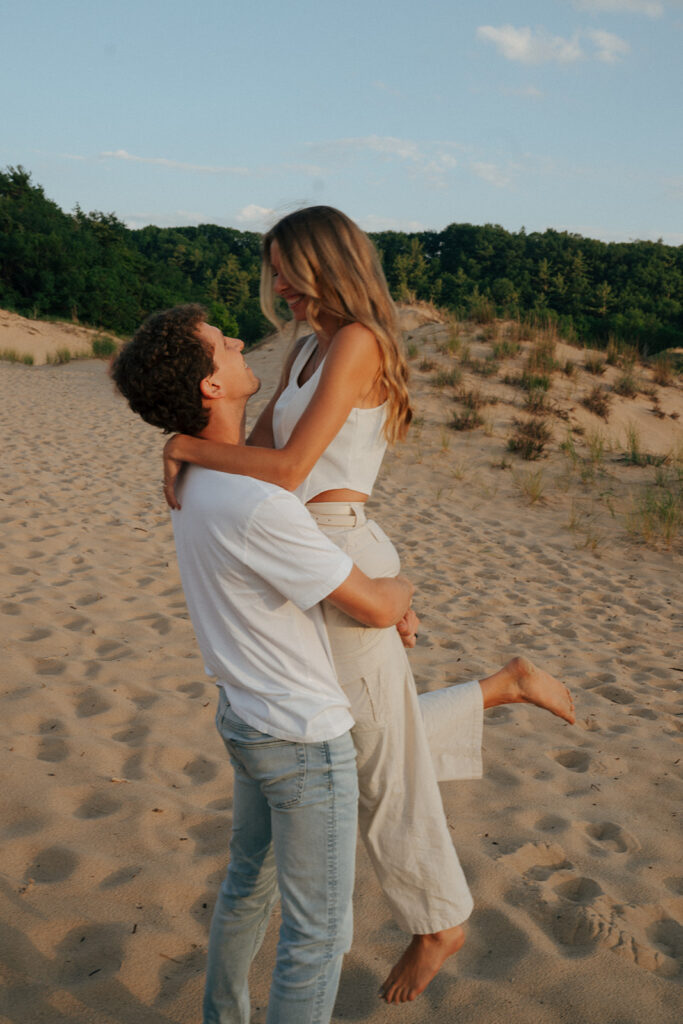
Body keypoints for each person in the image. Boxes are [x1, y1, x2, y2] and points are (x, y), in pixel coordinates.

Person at [162, 207, 575, 1002]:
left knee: (372, 758)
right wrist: (200, 435)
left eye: (287, 267)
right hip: (311, 551)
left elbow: (284, 470)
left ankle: (439, 920)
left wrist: (181, 448)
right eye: (271, 269)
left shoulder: (355, 342)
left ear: (328, 262)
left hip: (331, 548)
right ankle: (501, 687)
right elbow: (256, 442)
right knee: (361, 739)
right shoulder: (310, 344)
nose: (276, 284)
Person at [111, 304, 417, 1024]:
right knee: (316, 936)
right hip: (300, 738)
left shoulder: (194, 481)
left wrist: (182, 442)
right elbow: (372, 605)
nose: (240, 340)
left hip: (246, 720)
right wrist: (403, 588)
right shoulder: (254, 502)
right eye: (221, 345)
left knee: (248, 884)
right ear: (211, 388)